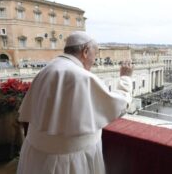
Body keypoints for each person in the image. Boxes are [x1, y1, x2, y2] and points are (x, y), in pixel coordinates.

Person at [17, 31, 133, 174]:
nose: (94, 60)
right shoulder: (83, 77)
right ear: (85, 52)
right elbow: (119, 105)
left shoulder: (45, 70)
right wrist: (125, 78)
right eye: (95, 54)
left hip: (36, 156)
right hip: (71, 161)